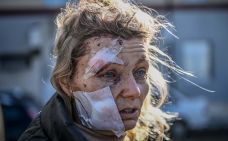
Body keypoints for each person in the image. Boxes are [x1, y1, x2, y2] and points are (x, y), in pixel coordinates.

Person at [18, 0, 179, 140]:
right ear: (66, 84)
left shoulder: (153, 134)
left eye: (140, 72)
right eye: (109, 74)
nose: (134, 91)